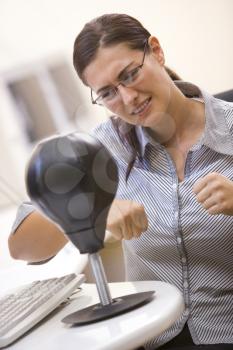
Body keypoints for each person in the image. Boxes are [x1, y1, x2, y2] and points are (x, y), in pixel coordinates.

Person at [8, 13, 233, 350]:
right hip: (152, 338)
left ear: (155, 51)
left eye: (130, 75)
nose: (128, 99)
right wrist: (93, 209)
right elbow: (23, 246)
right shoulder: (100, 150)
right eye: (108, 93)